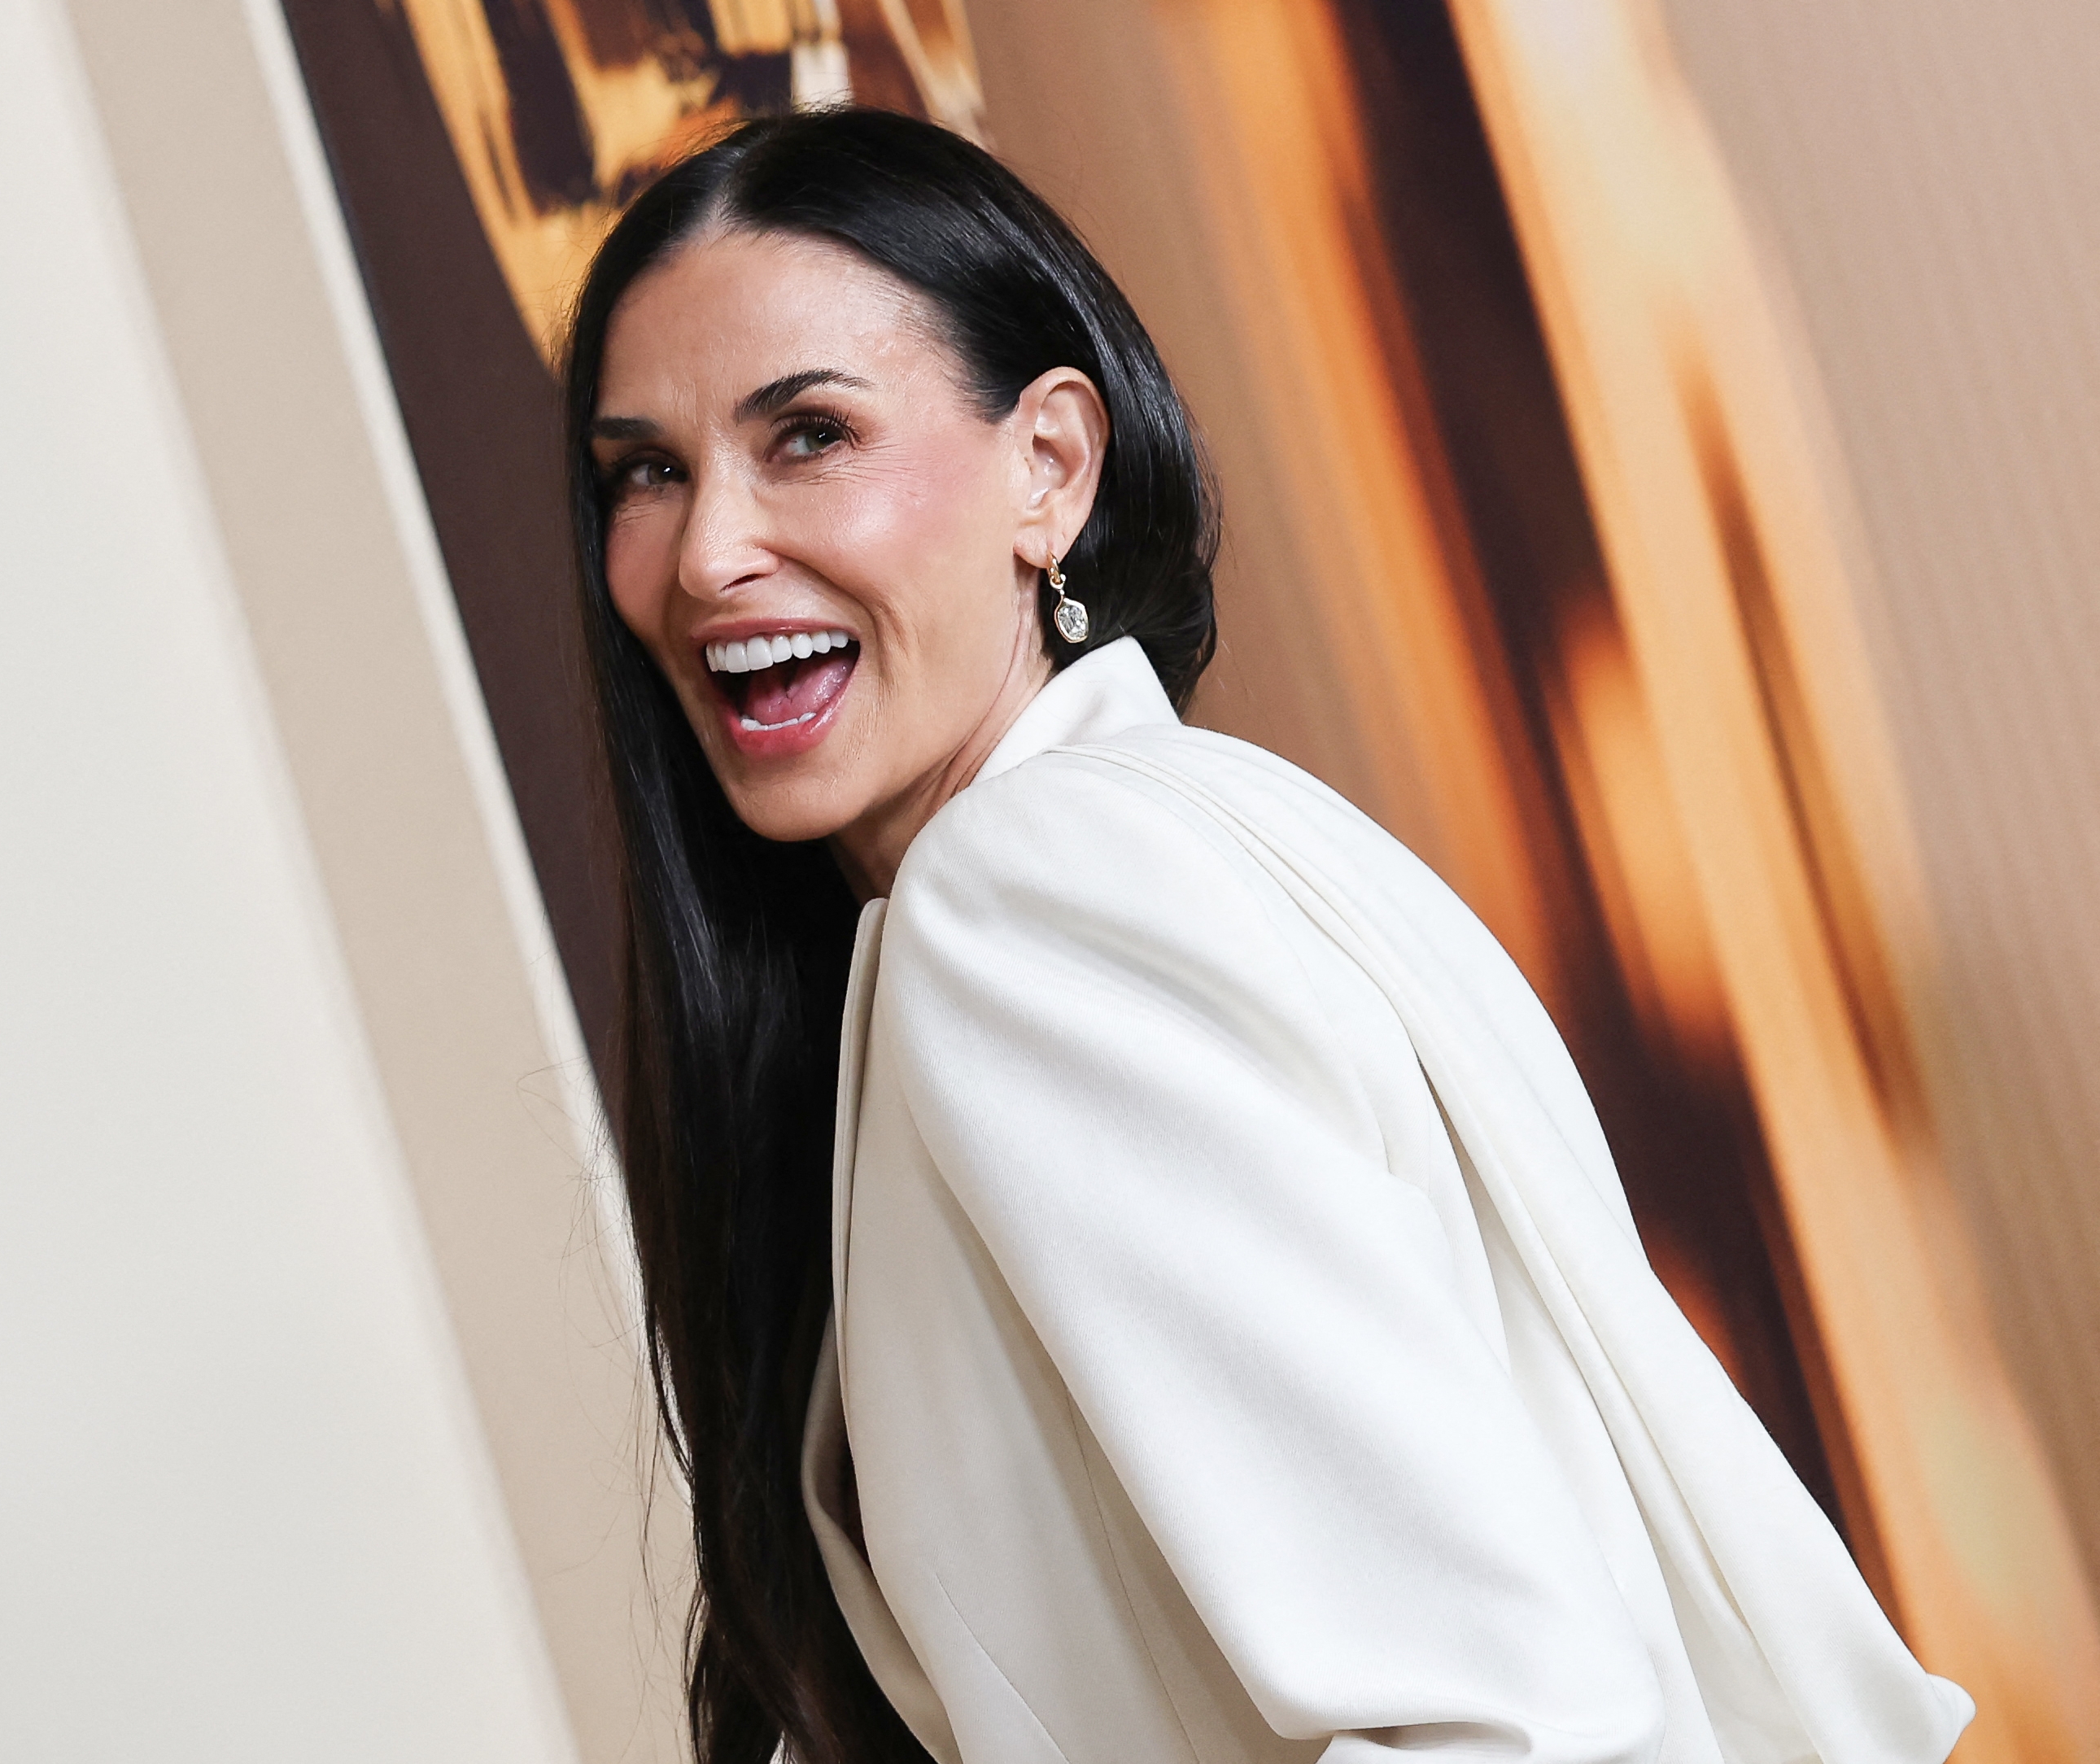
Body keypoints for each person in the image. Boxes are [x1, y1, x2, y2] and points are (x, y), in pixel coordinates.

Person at [566, 107, 1968, 1764]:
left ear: (1049, 468)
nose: (706, 551)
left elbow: (1493, 1711)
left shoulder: (1026, 901)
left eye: (804, 435)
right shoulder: (1206, 831)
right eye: (645, 472)